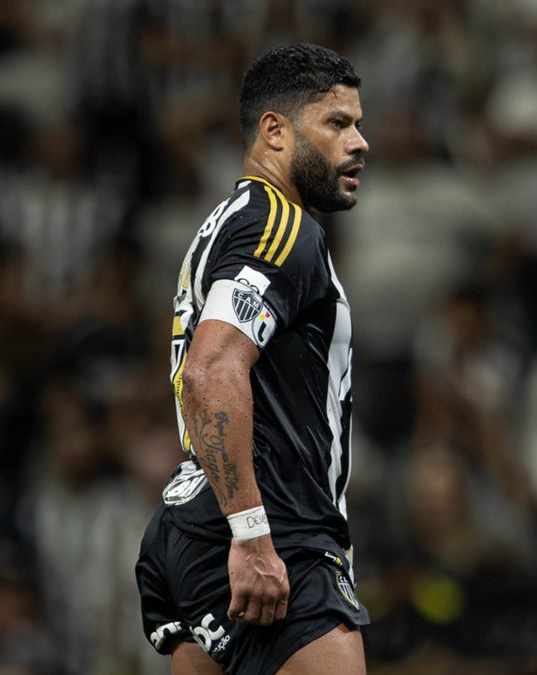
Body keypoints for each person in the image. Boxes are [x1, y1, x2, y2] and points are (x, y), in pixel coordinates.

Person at [135, 43, 370, 674]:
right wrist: (252, 535)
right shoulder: (279, 225)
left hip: (192, 526)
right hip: (272, 524)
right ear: (275, 131)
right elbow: (210, 371)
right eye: (338, 123)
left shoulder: (224, 224)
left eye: (358, 124)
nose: (360, 143)